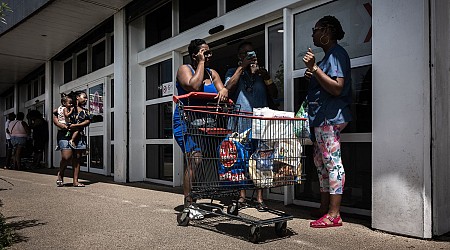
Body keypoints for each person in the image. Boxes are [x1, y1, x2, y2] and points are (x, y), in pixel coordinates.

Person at [302, 15, 352, 228]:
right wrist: (314, 73)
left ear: (327, 31)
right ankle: (324, 209)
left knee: (332, 164)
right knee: (321, 164)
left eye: (315, 29)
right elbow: (325, 83)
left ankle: (334, 214)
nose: (313, 33)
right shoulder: (327, 57)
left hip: (330, 118)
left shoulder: (337, 54)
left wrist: (315, 69)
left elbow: (337, 87)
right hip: (321, 119)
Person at [173, 38, 228, 219]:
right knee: (195, 159)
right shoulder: (184, 69)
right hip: (186, 121)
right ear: (194, 55)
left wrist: (224, 91)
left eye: (209, 52)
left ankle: (201, 194)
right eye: (204, 52)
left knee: (207, 157)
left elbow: (223, 91)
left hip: (206, 123)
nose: (208, 55)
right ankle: (189, 203)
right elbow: (193, 85)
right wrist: (201, 63)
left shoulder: (213, 73)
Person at [224, 41, 278, 211]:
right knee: (241, 159)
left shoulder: (261, 74)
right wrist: (242, 67)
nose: (249, 56)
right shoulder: (233, 71)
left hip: (260, 123)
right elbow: (228, 88)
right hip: (240, 123)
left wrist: (267, 77)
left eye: (252, 53)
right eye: (245, 54)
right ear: (239, 57)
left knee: (262, 159)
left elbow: (275, 95)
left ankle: (260, 198)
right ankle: (242, 197)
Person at [53, 91, 91, 187]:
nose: (86, 99)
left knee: (77, 158)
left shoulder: (85, 111)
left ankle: (75, 181)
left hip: (78, 134)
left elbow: (87, 121)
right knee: (66, 157)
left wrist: (76, 125)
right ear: (77, 97)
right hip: (64, 134)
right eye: (84, 97)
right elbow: (56, 115)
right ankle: (61, 173)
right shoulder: (67, 106)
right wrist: (59, 124)